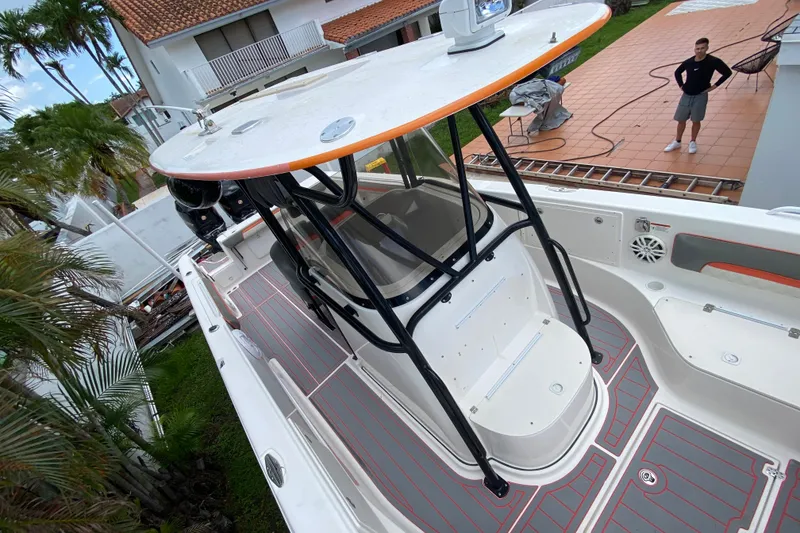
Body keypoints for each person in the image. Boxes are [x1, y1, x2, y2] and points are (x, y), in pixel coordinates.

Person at [664, 38, 732, 154]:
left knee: (696, 120)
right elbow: (677, 72)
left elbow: (727, 72)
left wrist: (714, 86)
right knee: (681, 120)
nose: (699, 51)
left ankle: (692, 142)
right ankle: (677, 141)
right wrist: (681, 86)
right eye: (697, 49)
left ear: (707, 48)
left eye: (702, 48)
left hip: (701, 95)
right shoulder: (689, 62)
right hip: (686, 95)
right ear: (694, 49)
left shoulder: (713, 61)